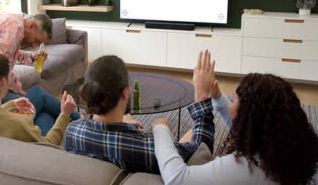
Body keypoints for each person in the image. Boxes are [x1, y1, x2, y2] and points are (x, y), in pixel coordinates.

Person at [153, 50, 318, 185]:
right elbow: (252, 127)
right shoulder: (295, 147)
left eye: (233, 100)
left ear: (247, 116)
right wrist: (217, 98)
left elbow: (177, 179)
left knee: (186, 137)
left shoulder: (244, 167)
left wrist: (161, 129)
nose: (230, 103)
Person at [64, 54, 215, 174]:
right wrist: (202, 96)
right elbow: (201, 152)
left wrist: (128, 127)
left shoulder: (71, 132)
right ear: (124, 93)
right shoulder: (149, 148)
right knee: (191, 132)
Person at [0, 52, 77, 145]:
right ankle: (78, 119)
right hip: (30, 154)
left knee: (41, 105)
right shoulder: (17, 122)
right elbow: (49, 145)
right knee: (46, 114)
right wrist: (64, 115)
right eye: (10, 75)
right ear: (2, 82)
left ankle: (78, 120)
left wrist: (11, 105)